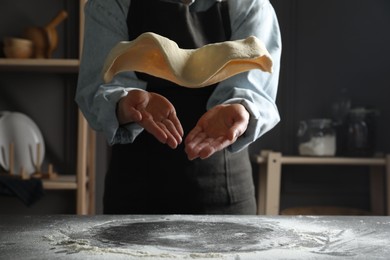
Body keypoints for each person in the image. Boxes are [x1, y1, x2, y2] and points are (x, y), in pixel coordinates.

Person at [76, 0, 281, 214]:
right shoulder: (111, 4)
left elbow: (259, 88)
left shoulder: (250, 4)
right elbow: (97, 87)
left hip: (225, 190)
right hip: (134, 190)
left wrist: (242, 108)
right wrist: (124, 103)